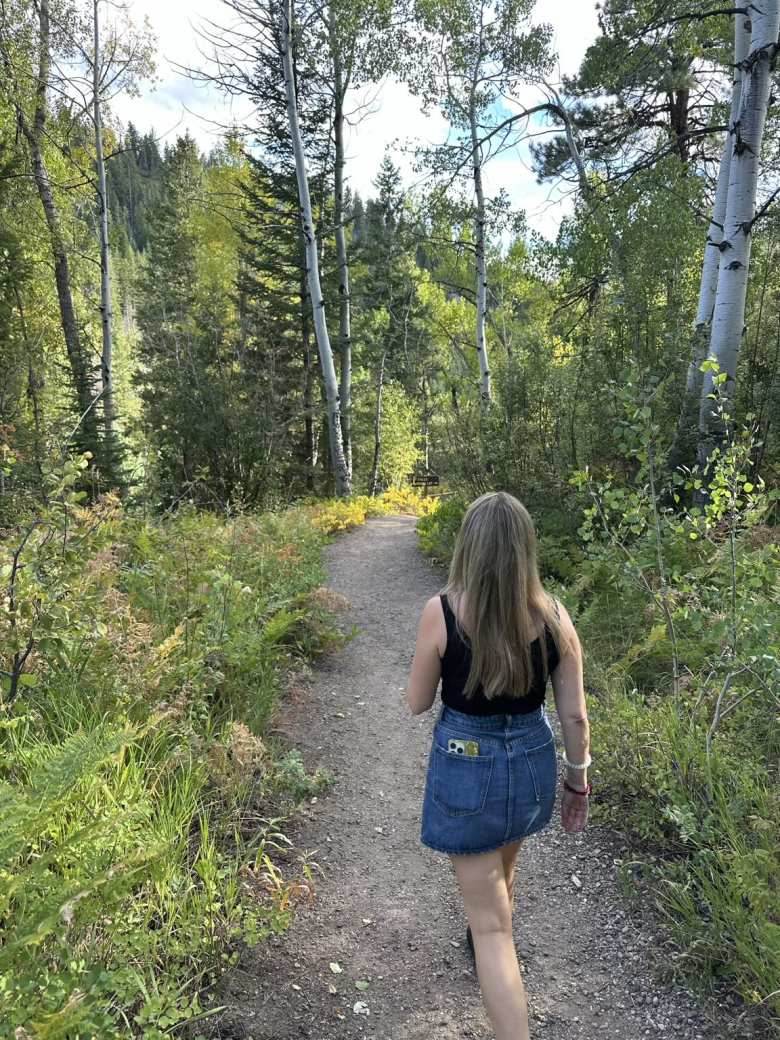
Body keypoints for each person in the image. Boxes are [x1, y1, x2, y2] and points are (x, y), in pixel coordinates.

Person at [406, 491, 590, 1040]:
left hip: (469, 766)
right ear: (524, 550)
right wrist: (577, 782)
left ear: (469, 548)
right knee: (503, 849)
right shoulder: (555, 616)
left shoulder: (441, 611)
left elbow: (417, 702)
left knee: (492, 931)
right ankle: (486, 929)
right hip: (531, 764)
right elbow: (575, 716)